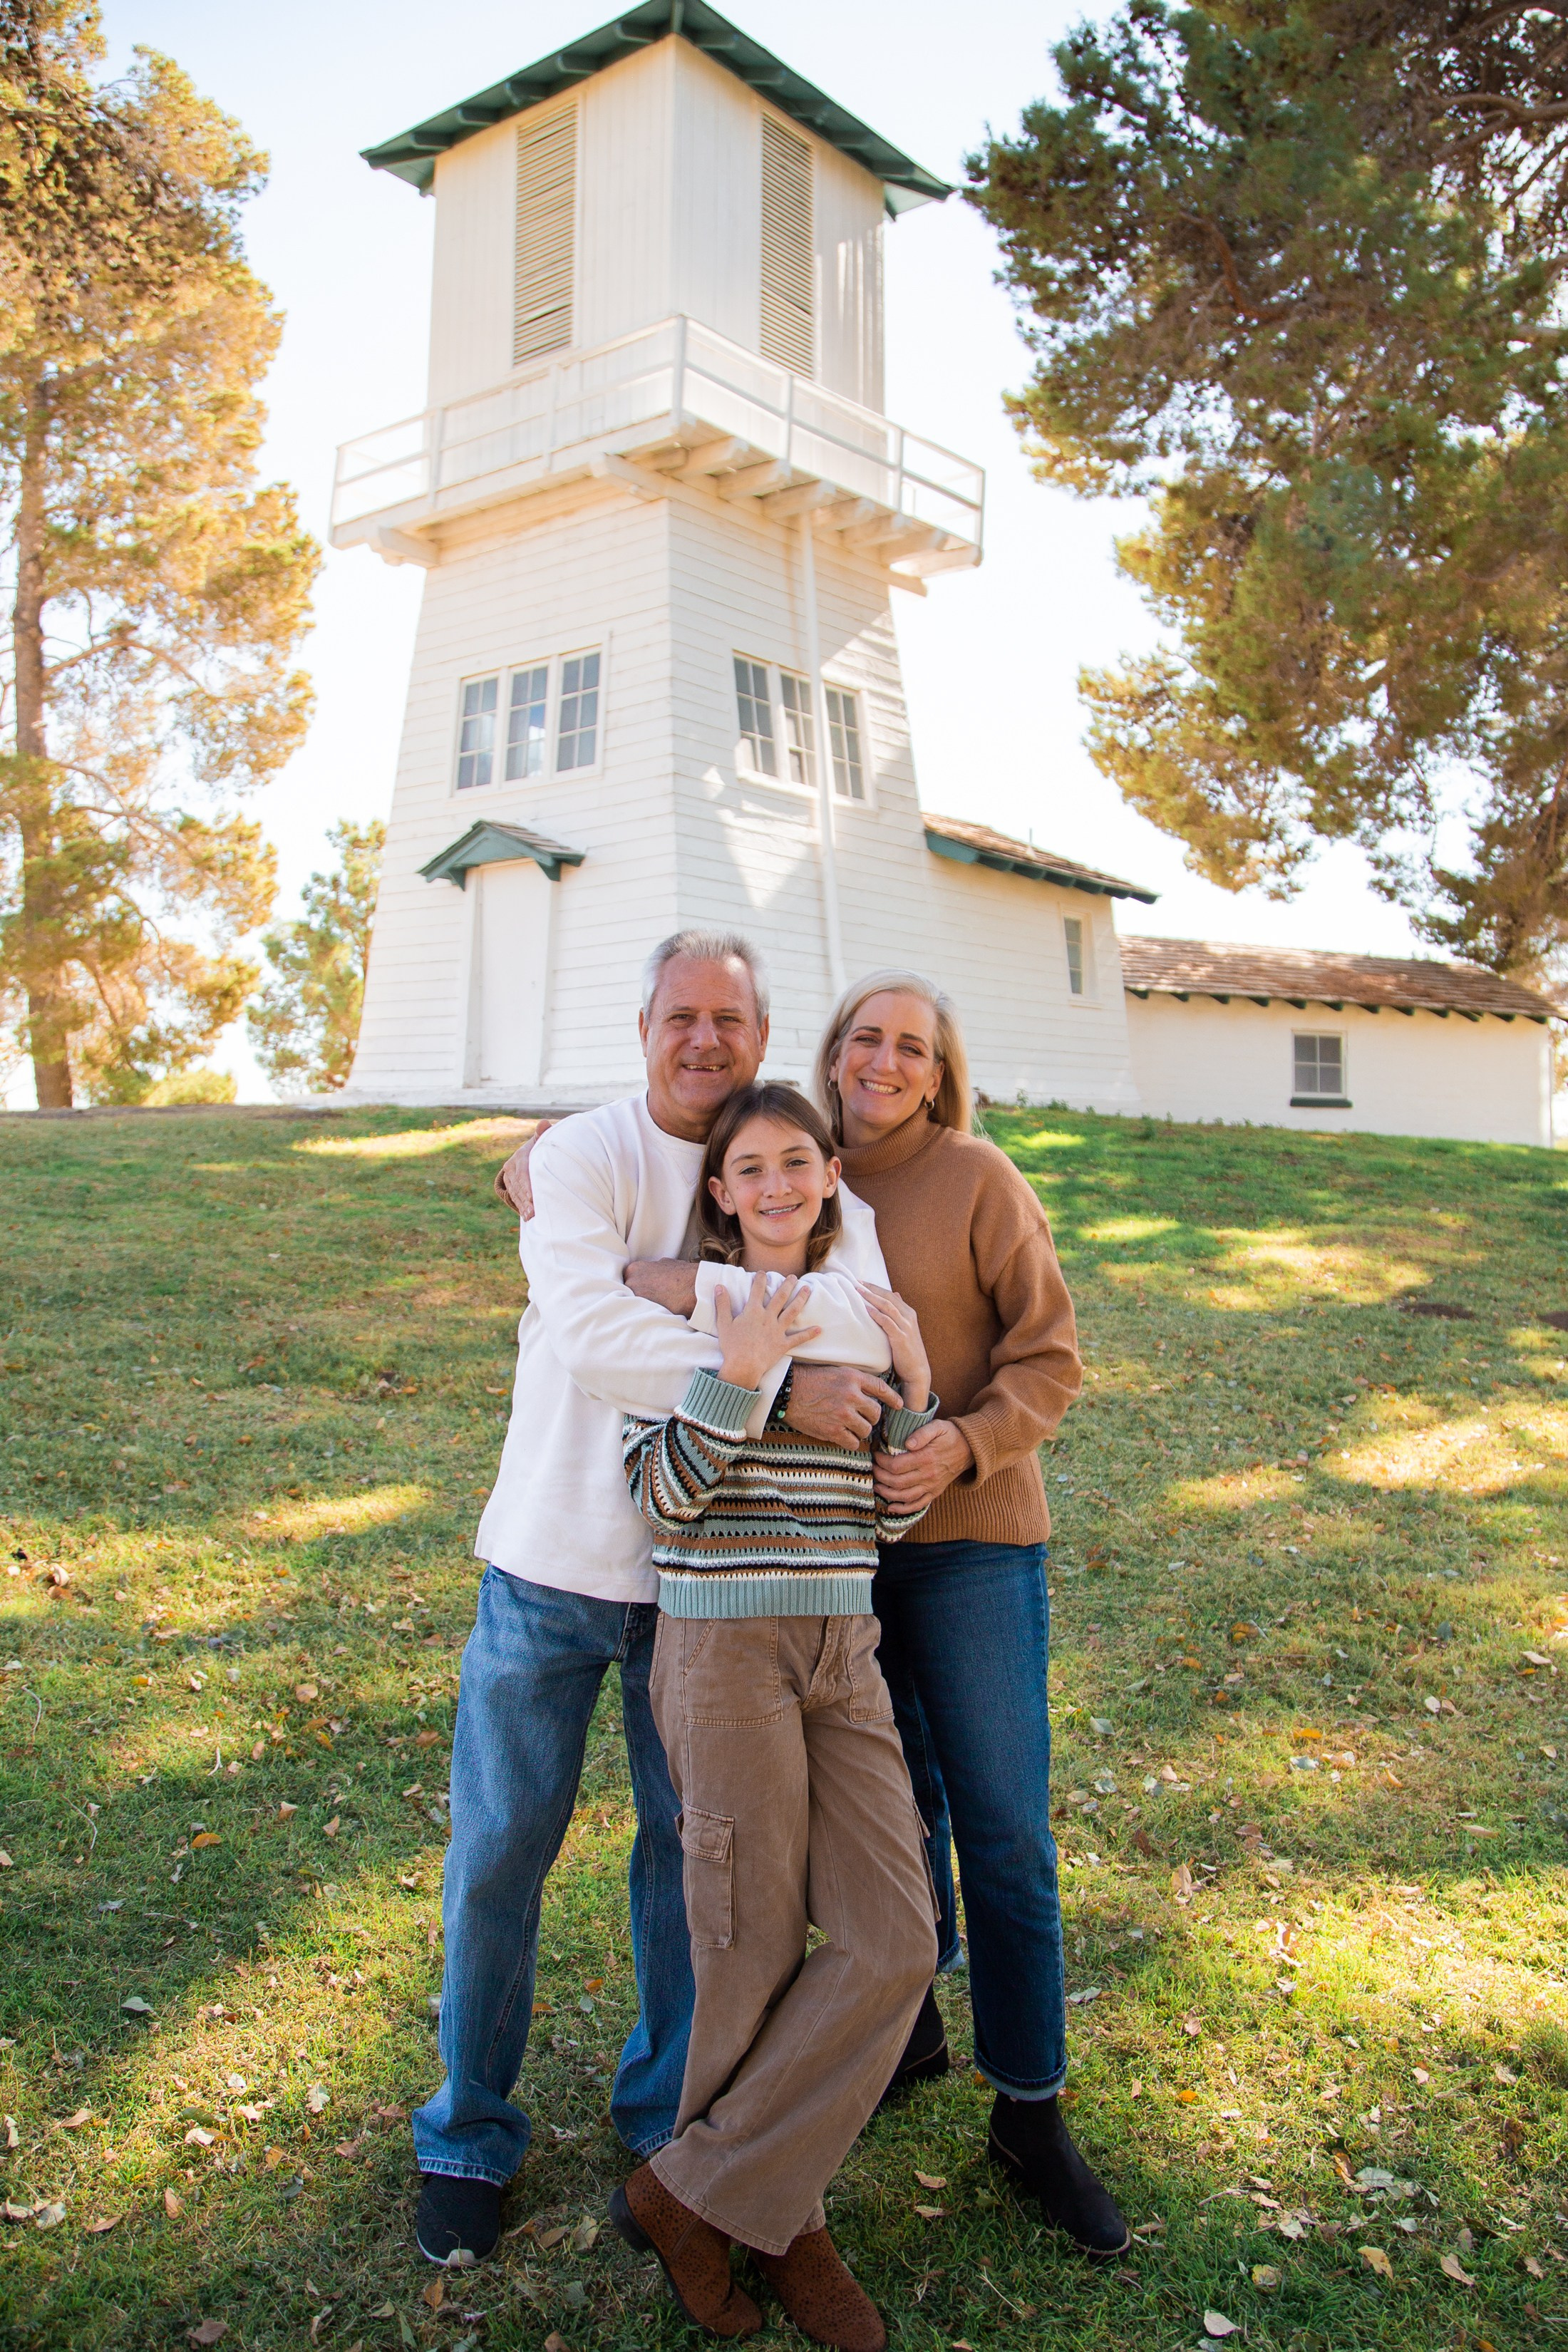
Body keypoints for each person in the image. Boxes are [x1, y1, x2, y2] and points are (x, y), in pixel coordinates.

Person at [413, 932, 899, 2268]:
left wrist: (700, 1293)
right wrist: (776, 1372)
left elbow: (865, 1324)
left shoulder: (792, 1163)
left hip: (703, 1596)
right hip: (549, 1566)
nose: (704, 1039)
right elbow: (592, 1335)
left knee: (691, 1871)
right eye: (681, 1016)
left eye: (728, 1019)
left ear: (761, 1035)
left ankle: (667, 2128)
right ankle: (466, 2133)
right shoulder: (578, 1157)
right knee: (501, 1852)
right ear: (642, 1030)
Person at [613, 1083, 939, 2352]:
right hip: (723, 1652)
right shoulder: (678, 1317)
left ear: (829, 1177)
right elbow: (658, 1498)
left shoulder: (867, 1314)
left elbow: (892, 1515)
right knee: (743, 1943)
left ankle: (692, 2191)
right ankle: (784, 2223)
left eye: (797, 1161)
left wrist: (912, 1390)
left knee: (896, 1940)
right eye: (750, 1168)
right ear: (720, 1193)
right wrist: (741, 1381)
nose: (777, 1185)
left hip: (844, 1646)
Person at [816, 968, 1130, 2257]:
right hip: (841, 1552)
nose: (885, 1062)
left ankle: (1030, 2111)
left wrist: (965, 1443)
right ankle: (912, 2023)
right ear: (834, 1052)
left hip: (974, 1544)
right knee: (894, 1819)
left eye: (913, 1047)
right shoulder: (799, 1169)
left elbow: (1049, 1356)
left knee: (1001, 1829)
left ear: (941, 1072)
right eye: (866, 1039)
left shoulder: (979, 1178)